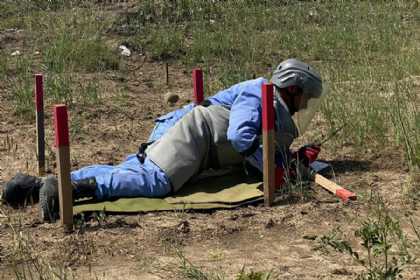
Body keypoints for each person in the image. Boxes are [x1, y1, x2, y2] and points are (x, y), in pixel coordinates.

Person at [1, 58, 324, 221]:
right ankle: (74, 190)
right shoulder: (260, 95)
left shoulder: (269, 100)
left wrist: (286, 160)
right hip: (194, 135)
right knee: (154, 182)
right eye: (305, 98)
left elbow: (255, 143)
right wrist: (275, 166)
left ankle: (32, 187)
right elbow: (241, 137)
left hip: (193, 136)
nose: (306, 105)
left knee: (134, 172)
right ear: (293, 89)